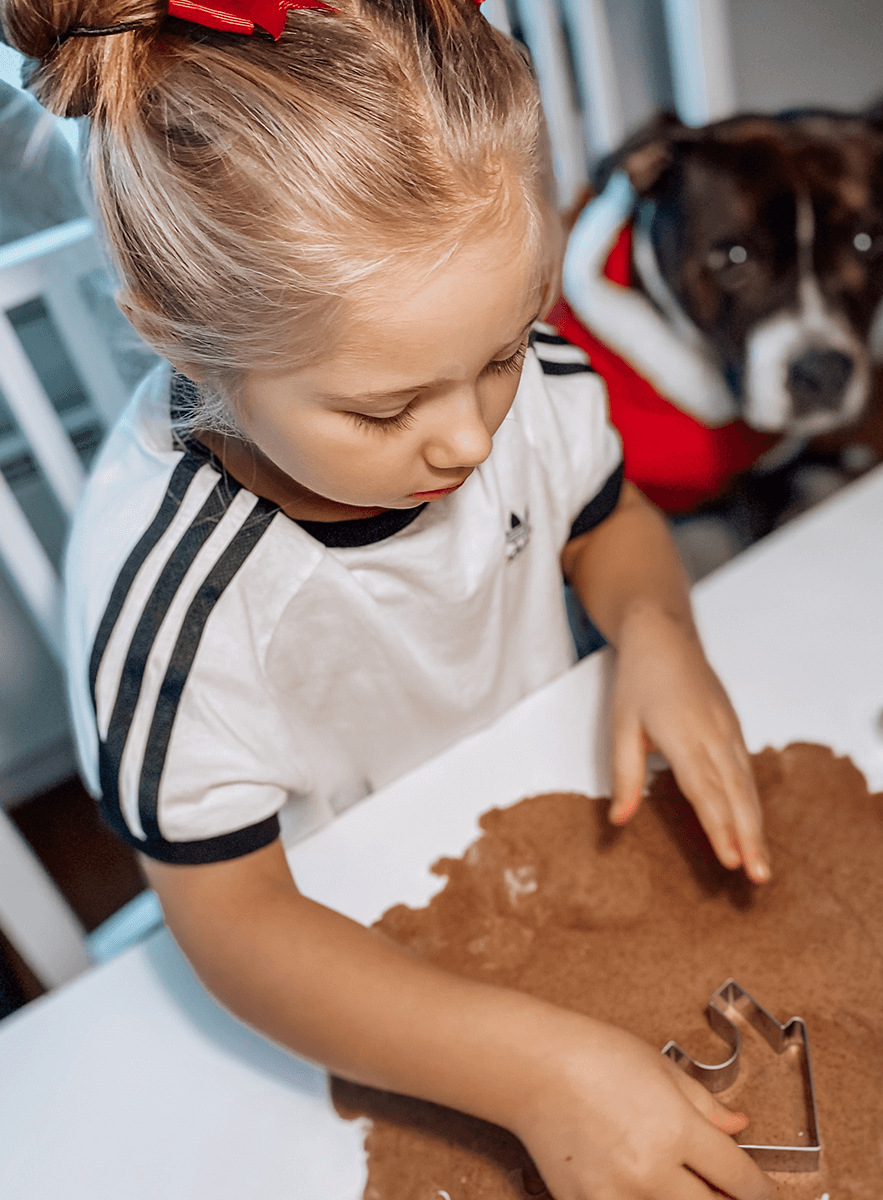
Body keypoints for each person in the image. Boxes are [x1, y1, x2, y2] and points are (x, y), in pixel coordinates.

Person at [4, 2, 771, 1196]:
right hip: (354, 956)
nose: (472, 434)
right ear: (183, 341)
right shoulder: (171, 607)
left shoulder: (524, 383)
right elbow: (240, 928)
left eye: (508, 347)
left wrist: (658, 625)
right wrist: (538, 1076)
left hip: (546, 826)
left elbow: (608, 524)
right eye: (381, 410)